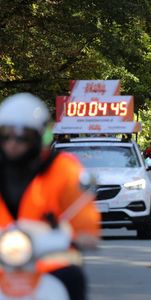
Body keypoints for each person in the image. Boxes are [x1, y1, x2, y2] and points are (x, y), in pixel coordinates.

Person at [0, 93, 101, 300]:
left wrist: (82, 234)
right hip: (3, 263)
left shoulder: (64, 168)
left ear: (40, 136)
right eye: (5, 136)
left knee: (73, 278)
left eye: (22, 137)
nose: (13, 143)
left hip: (50, 262)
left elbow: (85, 219)